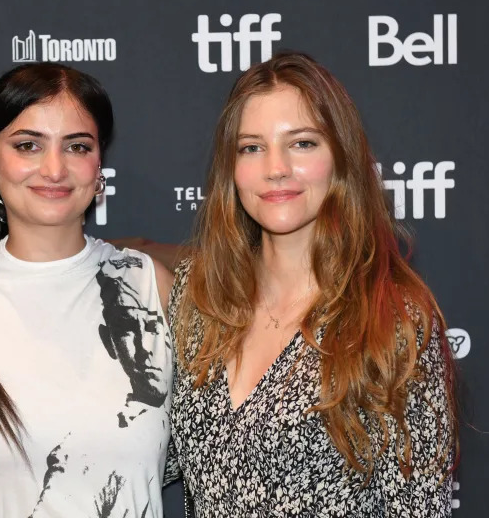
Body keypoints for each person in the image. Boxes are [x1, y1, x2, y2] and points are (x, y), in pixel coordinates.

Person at [170, 52, 457, 516]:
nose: (276, 167)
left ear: (340, 158)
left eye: (301, 143)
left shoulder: (393, 322)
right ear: (231, 170)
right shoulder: (197, 297)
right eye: (251, 147)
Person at [0, 63, 176, 517]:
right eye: (28, 145)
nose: (53, 168)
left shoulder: (150, 285)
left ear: (99, 162)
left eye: (77, 146)